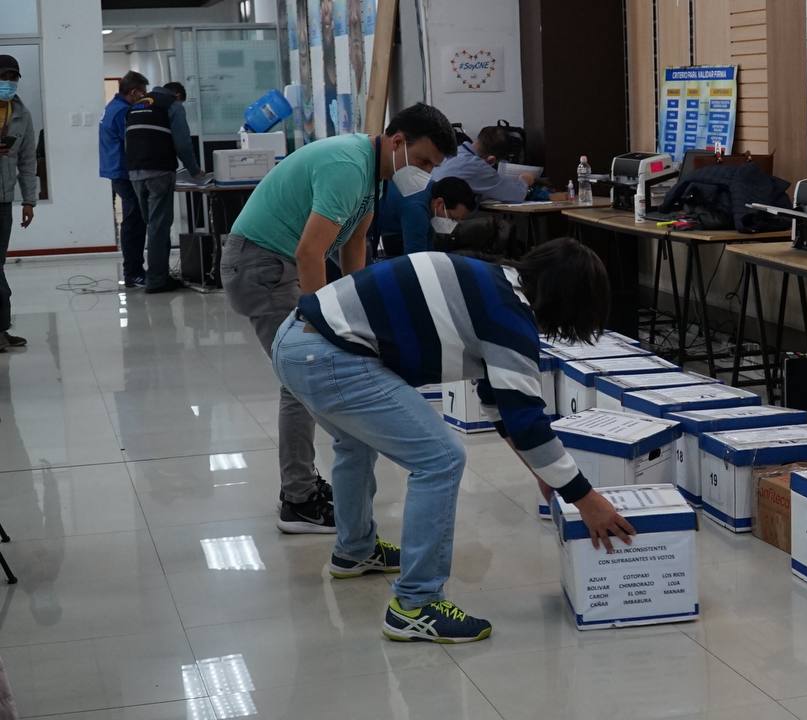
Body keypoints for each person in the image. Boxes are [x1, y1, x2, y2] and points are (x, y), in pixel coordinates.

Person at [272, 237, 634, 642]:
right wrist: (588, 500)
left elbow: (496, 401)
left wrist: (541, 472)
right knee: (441, 459)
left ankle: (355, 551)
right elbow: (528, 423)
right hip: (328, 357)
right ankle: (416, 605)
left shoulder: (494, 282)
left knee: (354, 444)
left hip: (295, 340)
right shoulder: (510, 318)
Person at [221, 103, 457, 534]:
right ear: (398, 141)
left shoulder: (372, 172)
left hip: (273, 262)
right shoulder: (349, 166)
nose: (425, 173)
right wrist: (320, 325)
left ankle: (302, 485)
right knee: (302, 375)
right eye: (423, 161)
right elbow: (310, 252)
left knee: (307, 373)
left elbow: (355, 242)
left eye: (433, 167)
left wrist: (359, 310)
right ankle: (298, 501)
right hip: (263, 265)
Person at [125, 81, 202, 294]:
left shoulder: (137, 105)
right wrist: (195, 170)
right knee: (158, 227)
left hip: (135, 172)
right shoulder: (172, 105)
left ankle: (159, 274)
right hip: (159, 171)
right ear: (177, 95)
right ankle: (157, 280)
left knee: (152, 224)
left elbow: (128, 139)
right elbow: (183, 143)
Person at [99, 71, 149, 288]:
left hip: (116, 169)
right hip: (124, 171)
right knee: (134, 220)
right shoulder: (122, 111)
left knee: (133, 218)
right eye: (143, 93)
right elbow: (131, 140)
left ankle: (135, 271)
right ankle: (133, 272)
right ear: (134, 92)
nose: (145, 96)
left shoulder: (113, 106)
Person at [0, 54, 36, 353]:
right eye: (4, 77)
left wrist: (29, 200)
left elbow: (27, 160)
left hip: (4, 200)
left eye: (13, 78)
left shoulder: (21, 114)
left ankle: (1, 328)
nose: (9, 83)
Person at [432, 124, 533, 203]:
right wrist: (524, 181)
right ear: (491, 160)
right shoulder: (477, 166)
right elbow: (515, 195)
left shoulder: (453, 152)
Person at [378, 175, 476, 257]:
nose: (453, 224)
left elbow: (428, 247)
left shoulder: (432, 190)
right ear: (439, 203)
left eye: (458, 220)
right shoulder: (417, 211)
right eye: (452, 218)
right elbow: (416, 259)